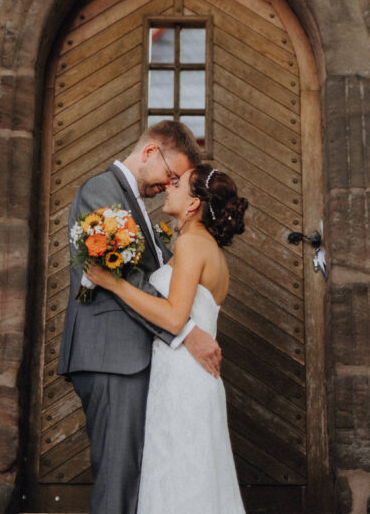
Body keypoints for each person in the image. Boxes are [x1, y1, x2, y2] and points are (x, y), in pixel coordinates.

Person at [57, 121, 223, 514]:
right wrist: (186, 333)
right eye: (171, 175)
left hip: (129, 357)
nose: (169, 185)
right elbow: (122, 278)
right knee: (119, 477)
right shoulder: (101, 190)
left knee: (134, 474)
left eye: (176, 182)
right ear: (150, 152)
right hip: (111, 356)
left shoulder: (136, 207)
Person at [86, 161, 249, 514]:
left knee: (180, 480)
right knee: (192, 479)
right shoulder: (208, 249)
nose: (169, 186)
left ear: (193, 204)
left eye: (178, 184)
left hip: (183, 379)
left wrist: (114, 283)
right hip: (190, 377)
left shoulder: (192, 243)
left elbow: (175, 317)